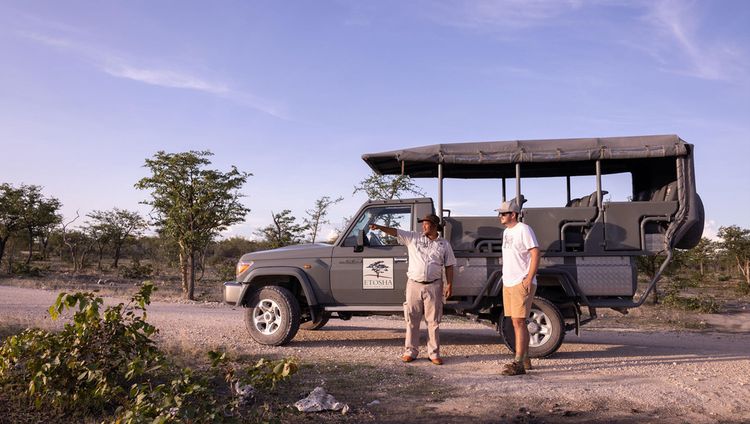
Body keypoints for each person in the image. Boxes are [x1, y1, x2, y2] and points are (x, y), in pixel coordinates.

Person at [369, 214, 456, 365]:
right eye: (423, 223)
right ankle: (410, 351)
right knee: (412, 319)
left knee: (433, 321)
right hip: (414, 284)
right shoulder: (413, 238)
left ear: (435, 225)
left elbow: (449, 265)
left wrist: (449, 284)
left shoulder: (444, 244)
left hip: (434, 285)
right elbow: (395, 231)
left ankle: (433, 354)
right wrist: (380, 227)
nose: (423, 226)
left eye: (426, 223)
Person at [497, 199, 540, 376]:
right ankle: (525, 359)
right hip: (509, 282)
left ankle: (519, 363)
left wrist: (529, 279)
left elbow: (535, 252)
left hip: (520, 282)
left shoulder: (524, 229)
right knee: (515, 322)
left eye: (503, 213)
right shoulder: (507, 232)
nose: (500, 216)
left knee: (519, 322)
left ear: (513, 214)